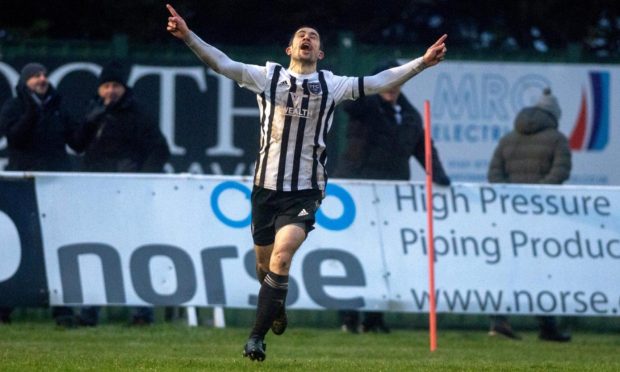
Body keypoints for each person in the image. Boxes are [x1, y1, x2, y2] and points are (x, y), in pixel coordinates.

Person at [166, 4, 447, 361]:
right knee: (265, 268)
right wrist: (188, 36)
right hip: (265, 189)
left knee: (282, 258)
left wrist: (421, 62)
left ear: (320, 52)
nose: (307, 38)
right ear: (289, 50)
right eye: (301, 35)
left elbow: (379, 82)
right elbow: (222, 63)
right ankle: (276, 304)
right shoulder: (268, 77)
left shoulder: (331, 84)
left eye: (313, 37)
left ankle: (255, 338)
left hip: (305, 190)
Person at [334, 60, 451, 334]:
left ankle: (374, 317)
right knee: (354, 254)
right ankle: (348, 316)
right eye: (387, 81)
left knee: (385, 256)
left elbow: (423, 146)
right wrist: (368, 88)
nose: (393, 87)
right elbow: (350, 104)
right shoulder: (365, 105)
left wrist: (439, 174)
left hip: (391, 194)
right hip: (358, 191)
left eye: (397, 81)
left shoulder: (410, 115)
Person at [72, 61, 171, 326]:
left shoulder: (138, 114)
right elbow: (77, 144)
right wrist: (89, 121)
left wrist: (141, 176)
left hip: (129, 193)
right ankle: (89, 310)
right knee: (95, 250)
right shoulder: (94, 112)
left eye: (115, 85)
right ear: (99, 88)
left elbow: (159, 149)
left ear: (124, 88)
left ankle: (141, 311)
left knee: (133, 249)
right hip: (97, 192)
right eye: (106, 85)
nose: (110, 91)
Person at [0, 62, 81, 327]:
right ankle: (6, 306)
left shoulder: (58, 107)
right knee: (18, 247)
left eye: (44, 75)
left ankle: (63, 310)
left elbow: (77, 143)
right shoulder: (15, 106)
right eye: (35, 76)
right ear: (24, 82)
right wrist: (32, 114)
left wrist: (92, 121)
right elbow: (15, 139)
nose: (42, 79)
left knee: (59, 246)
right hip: (23, 186)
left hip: (56, 187)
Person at [487, 87, 571, 342]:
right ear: (555, 115)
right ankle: (547, 326)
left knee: (508, 268)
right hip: (542, 216)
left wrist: (514, 198)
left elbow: (494, 175)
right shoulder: (557, 139)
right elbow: (561, 172)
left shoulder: (508, 138)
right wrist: (537, 195)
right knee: (541, 270)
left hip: (510, 214)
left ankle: (498, 321)